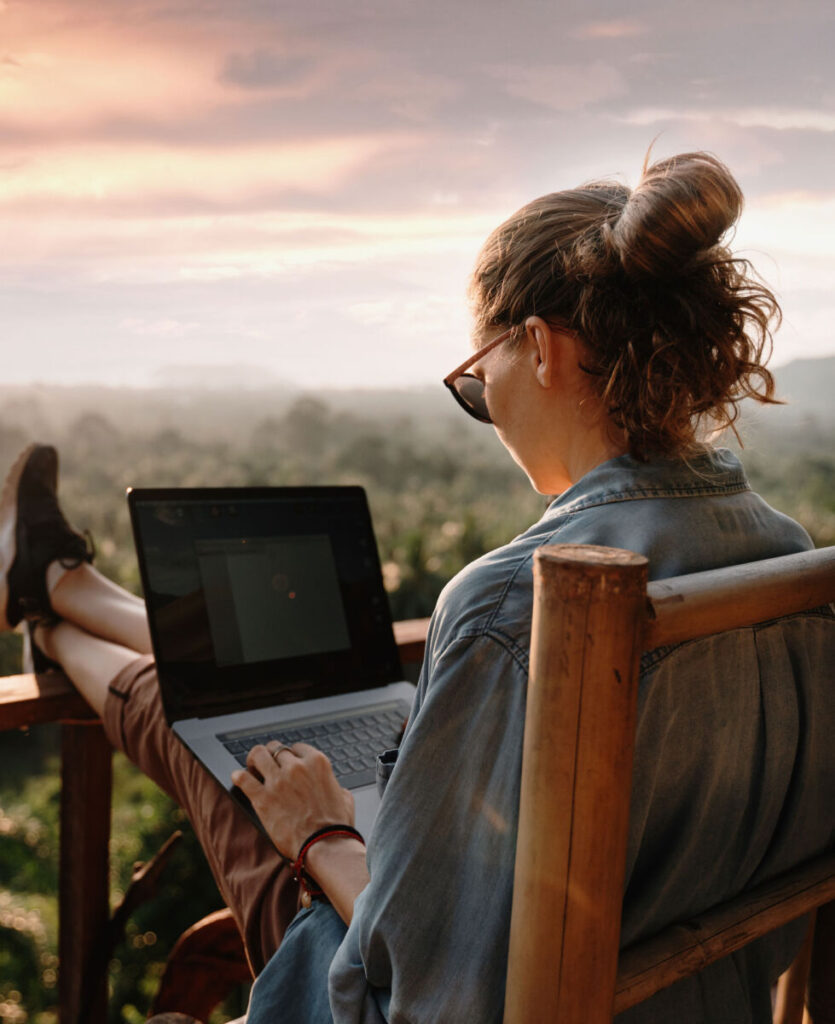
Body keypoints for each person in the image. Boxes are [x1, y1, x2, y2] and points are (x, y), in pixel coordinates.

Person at [2, 150, 832, 1024]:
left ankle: (51, 609)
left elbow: (431, 992)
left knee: (226, 739)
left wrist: (321, 836)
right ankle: (62, 594)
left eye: (477, 380)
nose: (486, 408)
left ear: (541, 348)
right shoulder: (787, 560)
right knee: (257, 706)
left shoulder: (515, 603)